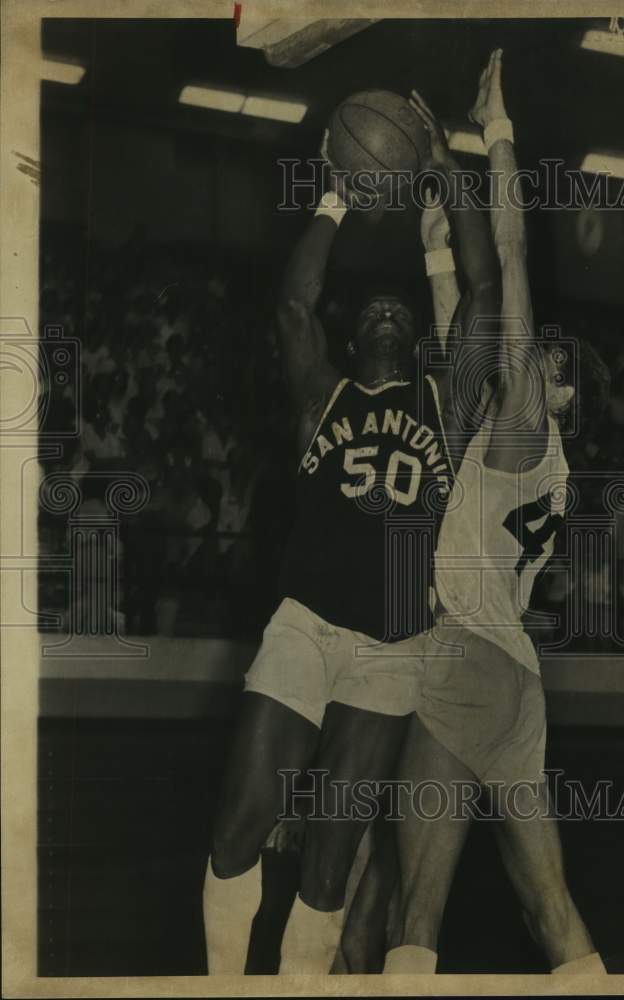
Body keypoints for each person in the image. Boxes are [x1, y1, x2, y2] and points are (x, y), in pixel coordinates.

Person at [202, 102, 501, 975]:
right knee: (238, 825)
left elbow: (482, 293)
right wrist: (333, 200)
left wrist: (444, 164)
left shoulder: (444, 410)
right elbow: (294, 302)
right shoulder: (319, 399)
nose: (381, 313)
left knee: (330, 865)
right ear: (349, 335)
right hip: (305, 624)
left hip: (392, 649)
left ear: (414, 343)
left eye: (396, 312)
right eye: (368, 308)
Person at [339, 49, 608, 976]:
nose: (535, 367)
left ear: (556, 394)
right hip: (518, 687)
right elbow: (465, 326)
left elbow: (512, 268)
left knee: (411, 908)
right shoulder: (511, 452)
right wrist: (432, 246)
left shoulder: (525, 423)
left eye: (548, 368)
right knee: (549, 910)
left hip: (462, 660)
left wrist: (493, 138)